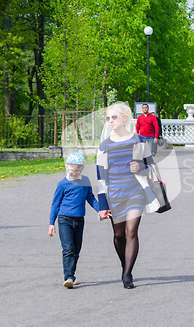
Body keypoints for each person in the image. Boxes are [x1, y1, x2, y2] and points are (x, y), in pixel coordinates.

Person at [97, 102, 156, 289]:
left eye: (114, 117)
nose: (110, 121)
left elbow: (152, 167)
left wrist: (141, 167)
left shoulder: (139, 141)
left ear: (124, 118)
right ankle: (125, 264)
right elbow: (100, 178)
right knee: (118, 234)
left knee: (131, 231)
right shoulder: (104, 146)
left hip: (135, 192)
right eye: (108, 118)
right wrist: (102, 204)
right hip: (114, 195)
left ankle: (127, 274)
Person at [48, 152, 99, 289]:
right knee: (68, 249)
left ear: (82, 168)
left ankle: (72, 274)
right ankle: (68, 277)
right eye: (72, 170)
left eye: (77, 170)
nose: (74, 173)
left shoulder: (86, 181)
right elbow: (55, 204)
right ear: (66, 167)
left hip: (79, 220)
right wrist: (51, 223)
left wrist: (100, 209)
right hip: (64, 220)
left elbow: (91, 198)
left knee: (76, 250)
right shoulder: (62, 184)